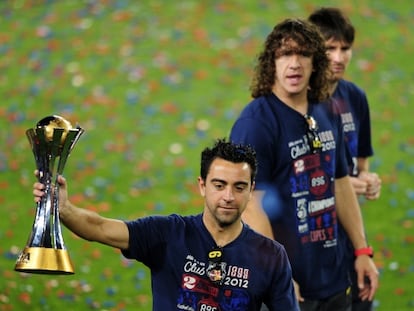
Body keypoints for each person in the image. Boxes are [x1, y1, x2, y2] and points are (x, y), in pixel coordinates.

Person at [32, 138, 299, 310]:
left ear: (251, 189)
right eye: (219, 185)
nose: (228, 196)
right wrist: (63, 208)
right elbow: (99, 228)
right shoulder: (168, 234)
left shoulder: (272, 256)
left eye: (239, 187)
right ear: (202, 186)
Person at [229, 18, 378, 311]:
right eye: (285, 54)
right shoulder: (255, 123)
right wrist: (277, 272)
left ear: (315, 62)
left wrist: (362, 250)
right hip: (288, 284)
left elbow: (341, 183)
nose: (294, 63)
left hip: (334, 277)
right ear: (271, 62)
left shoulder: (327, 110)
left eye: (303, 54)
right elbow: (251, 204)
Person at [308, 7, 382, 311]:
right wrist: (339, 185)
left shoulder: (355, 97)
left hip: (348, 234)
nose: (339, 57)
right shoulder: (300, 101)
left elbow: (360, 167)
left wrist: (368, 180)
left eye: (345, 48)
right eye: (330, 48)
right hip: (308, 237)